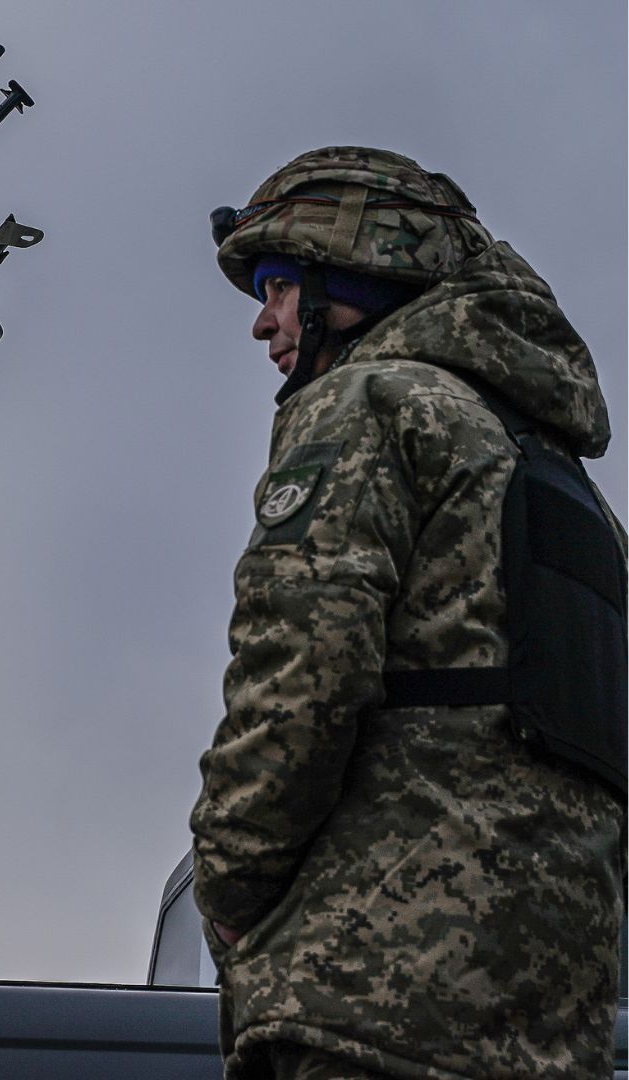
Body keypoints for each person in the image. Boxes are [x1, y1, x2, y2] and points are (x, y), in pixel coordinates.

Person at [189, 146, 625, 1079]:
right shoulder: (561, 479)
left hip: (374, 992)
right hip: (555, 1015)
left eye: (275, 286)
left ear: (347, 281)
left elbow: (300, 674)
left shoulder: (370, 402)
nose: (263, 322)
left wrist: (231, 884)